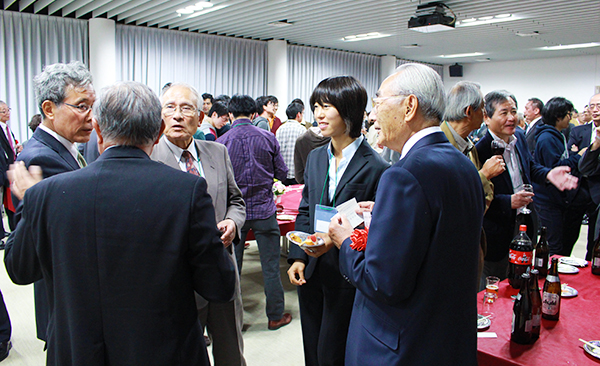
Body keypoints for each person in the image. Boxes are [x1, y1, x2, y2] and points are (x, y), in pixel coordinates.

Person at [4, 81, 236, 366]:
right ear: (159, 131)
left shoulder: (46, 194)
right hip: (164, 352)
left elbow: (19, 269)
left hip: (78, 352)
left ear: (98, 129)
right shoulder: (186, 191)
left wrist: (31, 202)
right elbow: (220, 286)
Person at [327, 63, 484, 365]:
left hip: (402, 344)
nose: (372, 116)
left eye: (378, 103)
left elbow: (382, 282)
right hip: (447, 338)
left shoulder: (405, 174)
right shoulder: (462, 164)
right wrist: (386, 214)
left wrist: (345, 241)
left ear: (409, 106)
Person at [287, 76, 388, 366]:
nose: (319, 114)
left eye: (327, 106)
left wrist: (336, 239)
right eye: (316, 106)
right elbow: (306, 209)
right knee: (312, 349)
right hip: (312, 267)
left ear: (350, 111)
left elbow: (375, 226)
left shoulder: (377, 167)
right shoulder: (317, 157)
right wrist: (298, 257)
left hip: (347, 272)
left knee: (334, 351)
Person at [151, 83, 247, 366]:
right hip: (176, 274)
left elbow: (237, 201)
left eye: (186, 108)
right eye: (170, 108)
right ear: (160, 115)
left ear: (200, 115)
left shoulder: (217, 151)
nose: (178, 115)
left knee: (230, 350)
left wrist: (232, 221)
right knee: (182, 352)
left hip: (221, 266)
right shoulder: (149, 157)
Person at [15, 61, 95, 343]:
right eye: (82, 106)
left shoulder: (65, 148)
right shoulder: (40, 158)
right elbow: (33, 248)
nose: (90, 117)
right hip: (65, 300)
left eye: (92, 107)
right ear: (49, 109)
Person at [476, 90, 578, 288]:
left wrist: (548, 174)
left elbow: (528, 165)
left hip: (524, 221)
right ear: (487, 118)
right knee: (496, 282)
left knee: (520, 277)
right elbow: (475, 194)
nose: (511, 118)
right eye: (504, 113)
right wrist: (509, 201)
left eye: (514, 111)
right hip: (497, 229)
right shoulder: (480, 149)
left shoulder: (519, 138)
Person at [218, 94, 292, 331]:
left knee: (233, 267)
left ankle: (235, 320)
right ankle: (275, 315)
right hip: (264, 210)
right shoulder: (268, 137)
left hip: (234, 214)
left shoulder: (222, 142)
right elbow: (281, 170)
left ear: (230, 114)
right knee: (270, 266)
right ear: (253, 114)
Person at [442, 81, 505, 280]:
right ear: (469, 111)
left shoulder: (468, 144)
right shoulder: (439, 143)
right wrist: (484, 175)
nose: (484, 115)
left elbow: (488, 194)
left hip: (471, 236)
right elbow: (447, 198)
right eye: (483, 109)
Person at [533, 97, 587, 256]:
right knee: (554, 245)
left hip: (555, 199)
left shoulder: (557, 135)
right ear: (558, 117)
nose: (571, 118)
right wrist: (577, 156)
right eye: (568, 114)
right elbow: (556, 169)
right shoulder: (547, 138)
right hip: (548, 200)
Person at [576, 93, 600, 260]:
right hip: (582, 192)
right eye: (592, 106)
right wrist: (596, 144)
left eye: (599, 106)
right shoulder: (589, 132)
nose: (595, 110)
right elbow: (584, 167)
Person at [276, 102, 306, 185]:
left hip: (282, 173)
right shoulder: (302, 130)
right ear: (298, 114)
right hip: (297, 173)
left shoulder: (280, 129)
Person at [0, 101, 18, 235]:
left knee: (9, 200)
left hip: (11, 169)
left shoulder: (7, 128)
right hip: (3, 171)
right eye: (3, 111)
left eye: (8, 110)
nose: (7, 113)